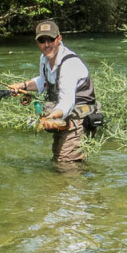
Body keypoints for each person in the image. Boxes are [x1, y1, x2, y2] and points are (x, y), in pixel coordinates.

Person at [9, 20, 101, 162]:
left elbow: (67, 103)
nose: (46, 45)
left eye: (50, 39)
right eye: (41, 40)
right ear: (37, 42)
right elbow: (44, 81)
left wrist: (51, 117)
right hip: (65, 120)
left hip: (79, 121)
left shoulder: (69, 64)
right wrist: (22, 86)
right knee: (59, 160)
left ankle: (80, 183)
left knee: (65, 163)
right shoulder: (44, 58)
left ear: (59, 38)